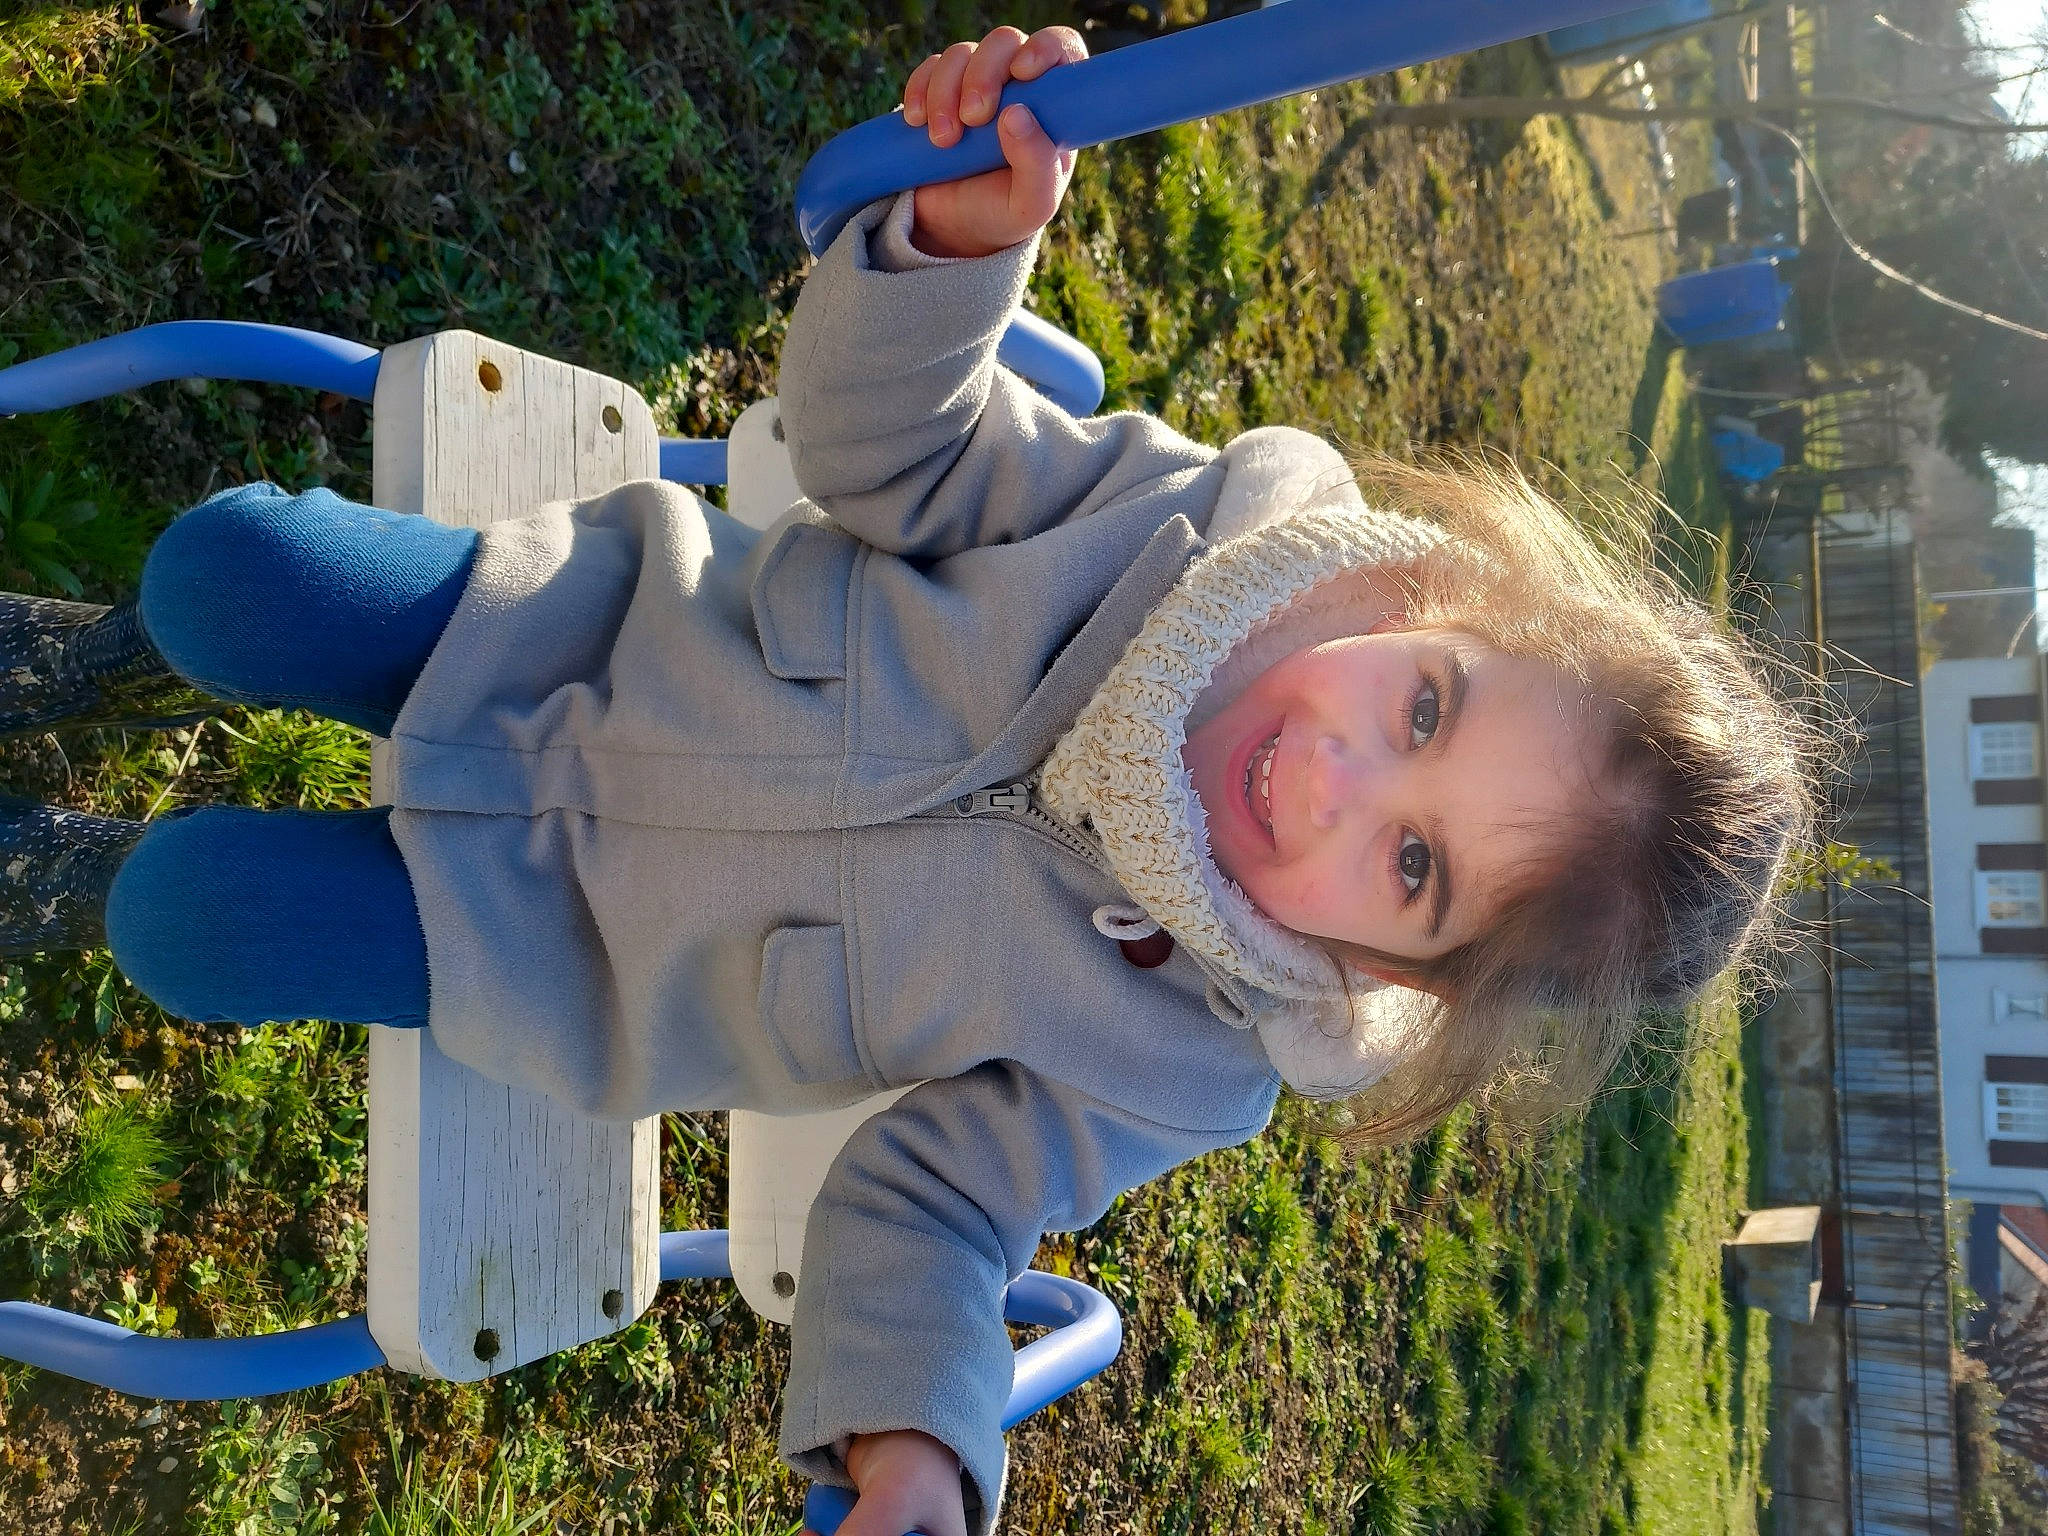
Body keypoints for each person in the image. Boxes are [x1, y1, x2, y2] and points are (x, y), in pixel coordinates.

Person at [0, 26, 1826, 1536]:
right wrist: (950, 253)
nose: (1339, 781)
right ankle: (92, 666)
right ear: (1444, 602)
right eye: (1425, 711)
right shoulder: (1173, 527)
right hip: (570, 638)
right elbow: (891, 453)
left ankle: (69, 870)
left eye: (1413, 869)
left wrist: (924, 1454)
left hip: (549, 951)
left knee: (185, 918)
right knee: (223, 574)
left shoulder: (1179, 1058)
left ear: (1401, 984)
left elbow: (938, 1214)